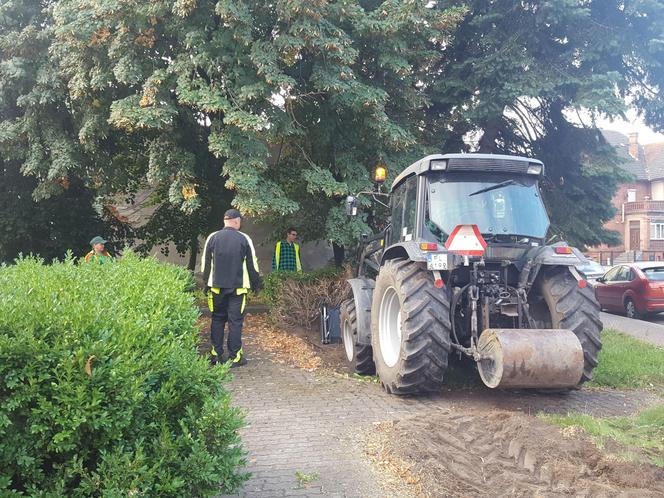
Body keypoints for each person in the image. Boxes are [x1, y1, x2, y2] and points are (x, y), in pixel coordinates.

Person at [201, 209, 261, 367]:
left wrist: (205, 285)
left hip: (216, 289)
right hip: (238, 289)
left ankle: (216, 355)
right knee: (235, 322)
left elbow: (205, 264)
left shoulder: (212, 238)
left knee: (217, 319)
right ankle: (235, 357)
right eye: (240, 221)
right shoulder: (244, 238)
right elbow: (252, 265)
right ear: (236, 221)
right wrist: (256, 285)